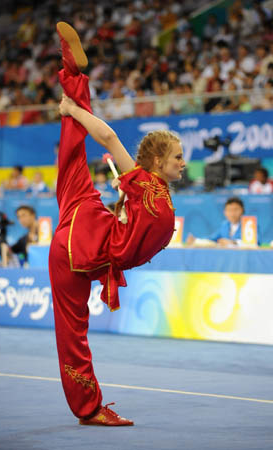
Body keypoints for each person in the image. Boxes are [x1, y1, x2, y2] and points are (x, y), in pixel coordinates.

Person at [49, 22, 185, 428]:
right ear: (157, 163)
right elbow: (108, 137)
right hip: (81, 250)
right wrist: (75, 111)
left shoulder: (146, 191)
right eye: (177, 157)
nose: (183, 161)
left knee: (72, 158)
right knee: (74, 334)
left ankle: (73, 74)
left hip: (84, 222)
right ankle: (89, 409)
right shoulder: (148, 186)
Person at [187, 197, 260, 247]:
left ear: (243, 210)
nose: (232, 213)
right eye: (229, 210)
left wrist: (234, 243)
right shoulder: (225, 225)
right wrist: (196, 240)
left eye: (236, 210)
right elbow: (212, 239)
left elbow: (256, 242)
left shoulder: (250, 224)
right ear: (224, 212)